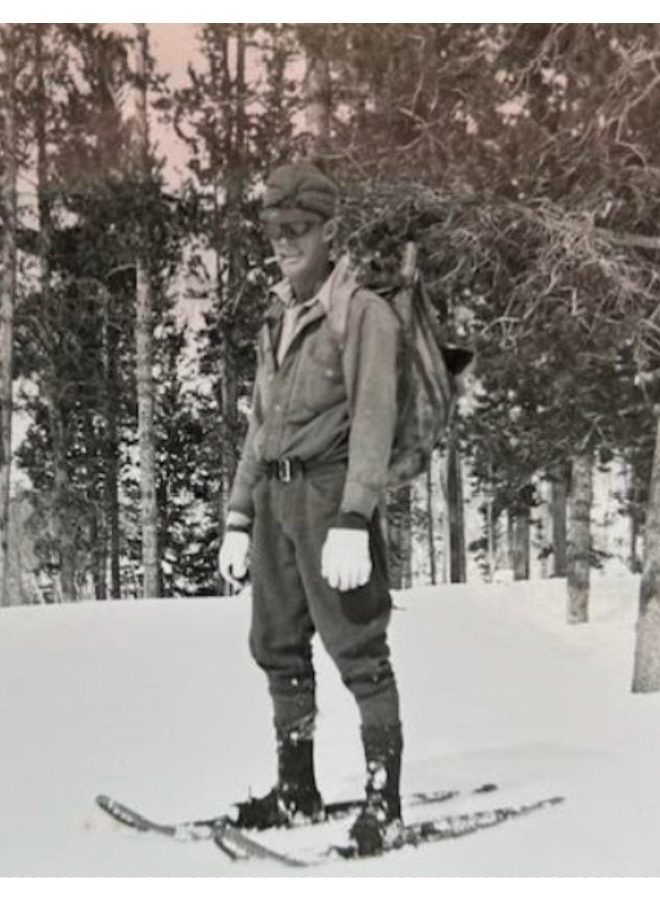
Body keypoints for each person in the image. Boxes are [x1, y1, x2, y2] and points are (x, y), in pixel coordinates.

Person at [215, 161, 406, 855]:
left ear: (329, 231)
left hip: (331, 496)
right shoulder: (281, 313)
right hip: (275, 497)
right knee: (277, 646)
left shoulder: (363, 313)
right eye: (275, 230)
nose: (285, 242)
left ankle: (385, 806)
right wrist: (239, 515)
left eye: (298, 230)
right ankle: (296, 789)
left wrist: (356, 519)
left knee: (358, 649)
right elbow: (260, 424)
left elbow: (376, 422)